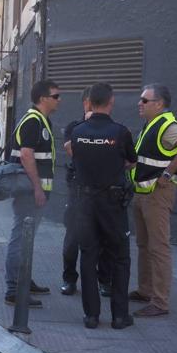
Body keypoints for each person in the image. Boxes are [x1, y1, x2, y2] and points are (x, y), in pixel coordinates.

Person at [70, 82, 137, 330]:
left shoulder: (77, 131)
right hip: (113, 203)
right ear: (111, 102)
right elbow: (131, 161)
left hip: (86, 203)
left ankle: (91, 316)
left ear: (90, 102)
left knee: (88, 256)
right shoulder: (121, 132)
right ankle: (120, 316)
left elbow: (76, 157)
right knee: (120, 257)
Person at [129, 83, 177, 317]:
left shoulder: (167, 125)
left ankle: (160, 301)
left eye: (145, 100)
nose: (140, 103)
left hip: (157, 196)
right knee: (144, 245)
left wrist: (167, 174)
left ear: (159, 104)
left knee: (158, 247)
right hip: (143, 194)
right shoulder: (150, 125)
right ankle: (146, 290)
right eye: (140, 99)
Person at [4, 80, 60, 308]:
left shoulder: (41, 120)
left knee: (26, 238)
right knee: (21, 237)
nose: (59, 100)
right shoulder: (33, 121)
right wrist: (37, 187)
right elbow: (27, 155)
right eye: (56, 96)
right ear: (43, 98)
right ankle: (14, 288)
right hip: (28, 191)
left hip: (32, 190)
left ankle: (23, 280)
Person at [61, 87, 113, 297]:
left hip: (104, 190)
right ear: (85, 104)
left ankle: (103, 280)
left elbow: (119, 157)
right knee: (72, 239)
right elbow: (73, 150)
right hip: (79, 190)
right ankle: (69, 279)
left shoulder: (113, 128)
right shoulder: (74, 127)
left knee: (104, 238)